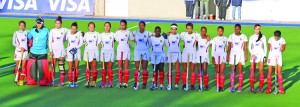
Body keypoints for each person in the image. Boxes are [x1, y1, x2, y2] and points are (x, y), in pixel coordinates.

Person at [27, 16, 50, 86]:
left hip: (42, 53)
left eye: (40, 23)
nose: (39, 24)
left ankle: (43, 81)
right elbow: (28, 38)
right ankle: (32, 80)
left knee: (42, 68)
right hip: (33, 52)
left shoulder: (46, 30)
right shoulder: (32, 30)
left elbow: (51, 39)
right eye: (37, 23)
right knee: (32, 69)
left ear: (43, 23)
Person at [49, 16, 69, 86]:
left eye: (59, 23)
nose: (57, 25)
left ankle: (62, 82)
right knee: (52, 67)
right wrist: (51, 51)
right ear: (55, 24)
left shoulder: (64, 30)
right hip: (54, 51)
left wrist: (65, 39)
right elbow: (49, 42)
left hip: (61, 51)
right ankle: (52, 81)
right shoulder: (52, 31)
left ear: (61, 24)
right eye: (56, 23)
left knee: (61, 67)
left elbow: (71, 32)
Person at [227, 24, 248, 92]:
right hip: (233, 55)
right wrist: (228, 56)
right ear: (234, 29)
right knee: (232, 71)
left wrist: (246, 55)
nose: (237, 30)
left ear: (240, 29)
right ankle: (232, 86)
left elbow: (245, 47)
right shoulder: (231, 36)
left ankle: (240, 86)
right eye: (235, 29)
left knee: (240, 71)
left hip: (241, 55)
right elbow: (229, 47)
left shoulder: (244, 36)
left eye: (238, 29)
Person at [132, 21, 152, 89]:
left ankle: (144, 83)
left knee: (144, 67)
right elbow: (129, 34)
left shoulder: (148, 32)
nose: (141, 27)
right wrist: (133, 40)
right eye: (140, 25)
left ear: (144, 26)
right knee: (137, 68)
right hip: (137, 51)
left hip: (145, 51)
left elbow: (154, 35)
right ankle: (136, 82)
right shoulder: (135, 32)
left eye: (142, 25)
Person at [248, 24, 267, 93]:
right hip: (253, 56)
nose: (257, 30)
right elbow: (249, 47)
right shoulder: (251, 37)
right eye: (256, 29)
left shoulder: (263, 37)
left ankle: (260, 88)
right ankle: (251, 87)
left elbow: (265, 47)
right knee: (252, 71)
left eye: (258, 29)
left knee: (261, 70)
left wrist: (264, 56)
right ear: (254, 29)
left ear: (260, 29)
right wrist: (252, 54)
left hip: (261, 55)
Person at [115, 19, 134, 88]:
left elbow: (133, 39)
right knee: (120, 67)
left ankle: (125, 83)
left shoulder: (128, 32)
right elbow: (116, 40)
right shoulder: (117, 32)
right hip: (119, 50)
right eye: (121, 25)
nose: (122, 26)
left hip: (126, 50)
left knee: (126, 67)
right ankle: (120, 82)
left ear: (126, 25)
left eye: (124, 25)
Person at [180, 22, 197, 90]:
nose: (189, 30)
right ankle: (184, 84)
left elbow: (202, 36)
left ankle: (192, 85)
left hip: (193, 53)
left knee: (192, 69)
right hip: (185, 53)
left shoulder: (196, 35)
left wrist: (207, 37)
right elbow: (175, 35)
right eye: (188, 28)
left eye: (190, 28)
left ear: (192, 28)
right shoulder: (183, 34)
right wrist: (168, 33)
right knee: (184, 69)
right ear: (186, 29)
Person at [65, 22, 83, 87]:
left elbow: (81, 43)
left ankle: (75, 82)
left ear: (76, 29)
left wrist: (75, 48)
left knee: (76, 67)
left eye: (75, 29)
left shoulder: (79, 34)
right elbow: (64, 40)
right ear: (71, 28)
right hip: (69, 52)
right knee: (70, 68)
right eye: (72, 29)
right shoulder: (68, 34)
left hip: (77, 51)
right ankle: (70, 82)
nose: (73, 30)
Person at [149, 26, 167, 90]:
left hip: (161, 54)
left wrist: (167, 38)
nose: (157, 32)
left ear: (160, 31)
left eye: (158, 31)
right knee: (155, 70)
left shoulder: (163, 38)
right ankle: (155, 84)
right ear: (154, 31)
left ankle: (161, 84)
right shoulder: (152, 38)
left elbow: (167, 44)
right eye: (156, 31)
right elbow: (149, 45)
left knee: (161, 69)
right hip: (154, 54)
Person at [83, 22, 101, 87]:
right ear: (88, 27)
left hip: (94, 52)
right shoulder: (86, 34)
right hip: (87, 52)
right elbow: (82, 40)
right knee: (88, 67)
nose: (91, 28)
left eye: (92, 26)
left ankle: (94, 81)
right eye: (90, 26)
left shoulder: (97, 34)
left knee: (94, 67)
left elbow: (99, 42)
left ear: (94, 27)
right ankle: (87, 81)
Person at [211, 26, 228, 92]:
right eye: (218, 31)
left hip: (223, 56)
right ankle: (218, 85)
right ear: (217, 31)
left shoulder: (226, 39)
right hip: (216, 56)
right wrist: (212, 57)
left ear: (223, 31)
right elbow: (212, 49)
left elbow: (228, 47)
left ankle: (222, 86)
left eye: (221, 31)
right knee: (217, 71)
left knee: (222, 71)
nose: (219, 32)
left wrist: (227, 56)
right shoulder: (214, 39)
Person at [13, 21, 29, 86]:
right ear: (19, 26)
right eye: (21, 25)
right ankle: (17, 79)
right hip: (18, 52)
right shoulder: (16, 33)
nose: (22, 27)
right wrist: (20, 47)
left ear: (25, 26)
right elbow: (13, 43)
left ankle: (21, 80)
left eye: (23, 25)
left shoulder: (27, 32)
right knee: (17, 66)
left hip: (25, 52)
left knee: (23, 66)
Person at [99, 22, 115, 88]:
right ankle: (103, 82)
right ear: (104, 27)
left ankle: (110, 82)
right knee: (104, 68)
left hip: (111, 52)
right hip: (103, 52)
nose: (107, 27)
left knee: (109, 67)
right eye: (105, 26)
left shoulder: (113, 34)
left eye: (108, 26)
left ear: (110, 27)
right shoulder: (101, 35)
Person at [166, 23, 181, 90]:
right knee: (169, 70)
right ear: (171, 29)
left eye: (175, 29)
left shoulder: (179, 35)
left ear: (176, 29)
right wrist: (166, 35)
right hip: (170, 54)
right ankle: (169, 84)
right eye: (172, 29)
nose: (173, 31)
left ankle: (176, 84)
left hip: (177, 53)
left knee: (177, 70)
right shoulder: (167, 36)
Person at [195, 26, 211, 91]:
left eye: (204, 31)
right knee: (199, 71)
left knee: (204, 70)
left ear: (206, 31)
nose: (203, 32)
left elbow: (213, 45)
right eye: (202, 31)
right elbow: (195, 45)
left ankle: (206, 85)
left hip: (205, 56)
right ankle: (200, 85)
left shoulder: (208, 39)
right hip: (199, 56)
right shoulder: (198, 38)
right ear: (200, 31)